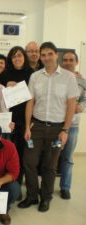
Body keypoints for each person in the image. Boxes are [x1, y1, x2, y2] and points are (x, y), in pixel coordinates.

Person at [18, 42, 79, 212]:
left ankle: (46, 197)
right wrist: (28, 127)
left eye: (49, 54)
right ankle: (31, 196)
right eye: (43, 55)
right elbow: (31, 101)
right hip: (36, 126)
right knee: (29, 161)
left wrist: (65, 130)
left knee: (50, 165)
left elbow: (71, 105)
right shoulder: (35, 76)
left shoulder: (68, 77)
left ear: (55, 55)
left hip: (57, 128)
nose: (46, 57)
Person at [0, 46, 34, 193]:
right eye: (14, 56)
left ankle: (17, 185)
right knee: (5, 152)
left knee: (20, 154)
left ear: (24, 57)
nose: (17, 58)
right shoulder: (4, 74)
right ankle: (3, 182)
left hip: (25, 119)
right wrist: (5, 87)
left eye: (19, 55)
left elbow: (34, 98)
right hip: (7, 119)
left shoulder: (32, 74)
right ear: (10, 59)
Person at [59, 50, 86, 199]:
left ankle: (65, 187)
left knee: (68, 158)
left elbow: (84, 98)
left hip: (73, 125)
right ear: (62, 62)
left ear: (76, 62)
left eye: (71, 60)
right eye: (66, 60)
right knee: (51, 157)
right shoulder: (57, 78)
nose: (68, 62)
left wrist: (81, 106)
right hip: (57, 123)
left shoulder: (82, 81)